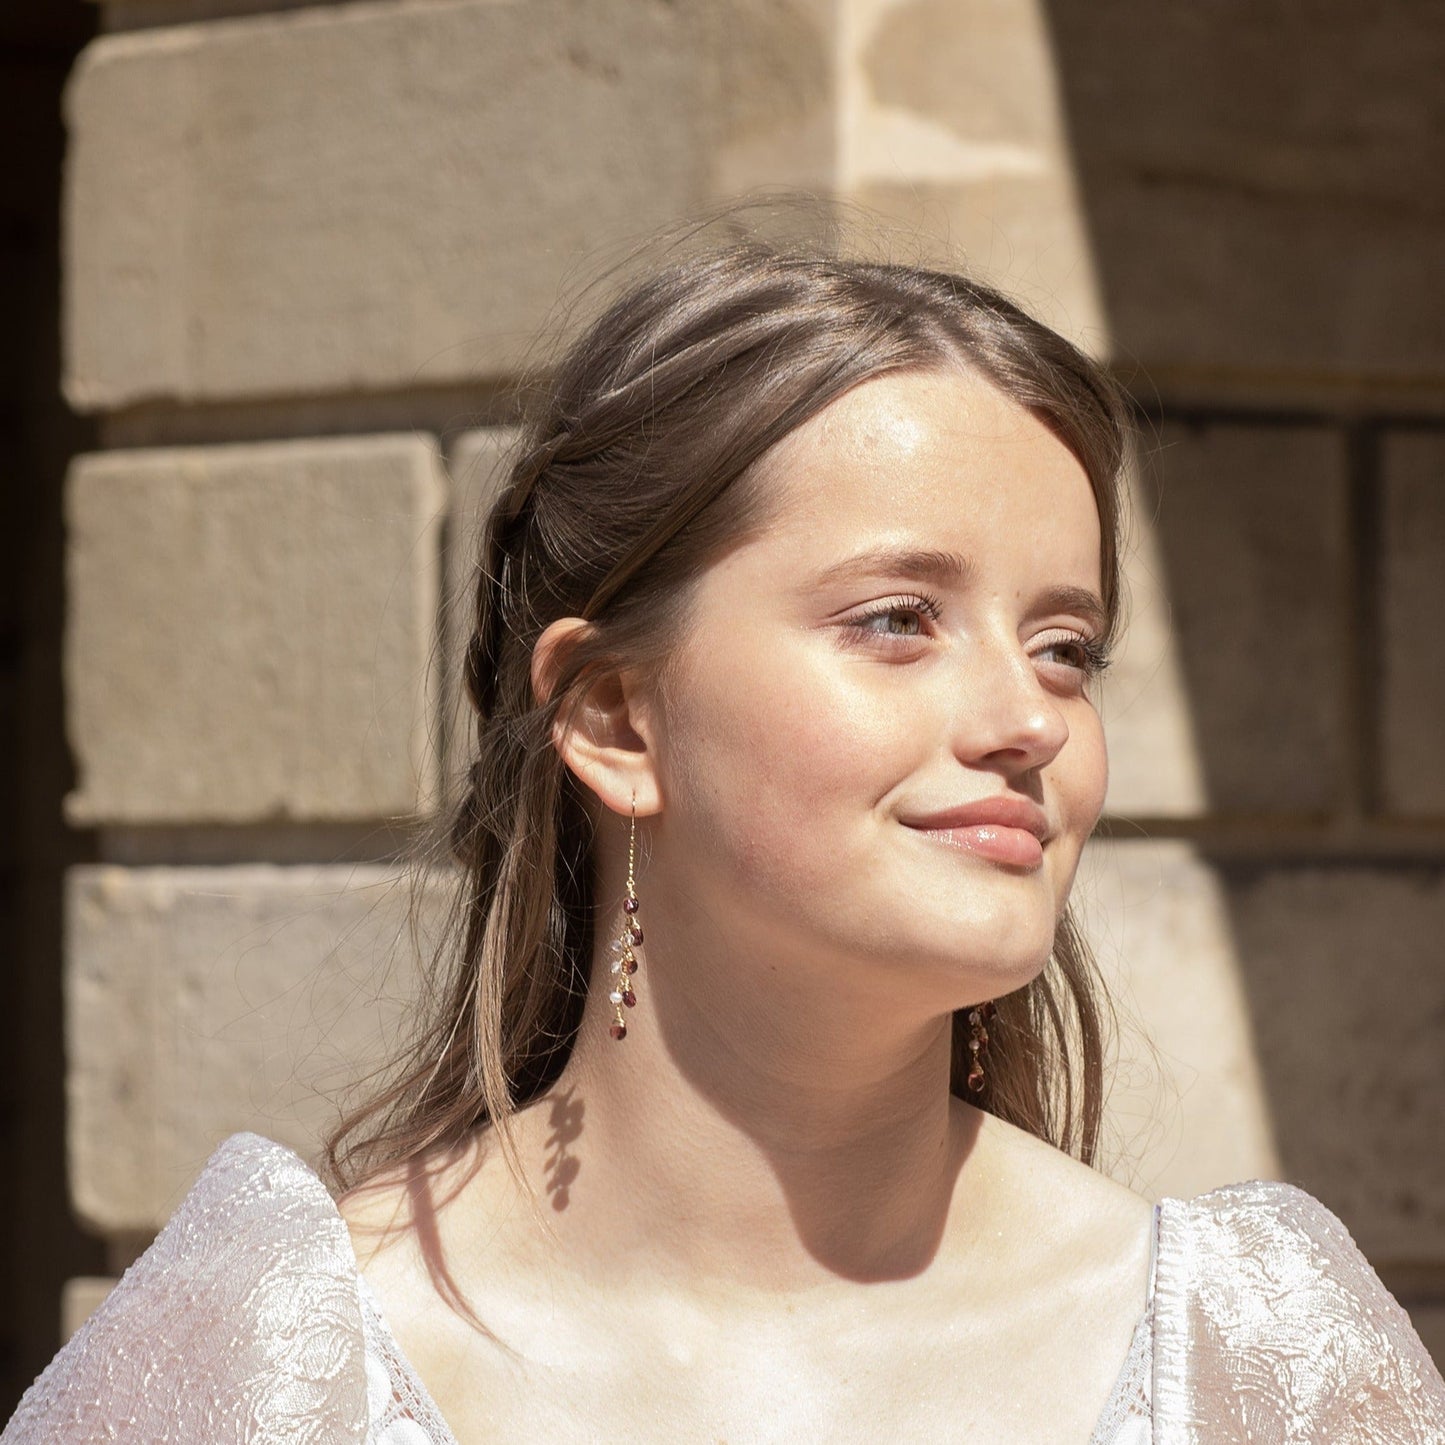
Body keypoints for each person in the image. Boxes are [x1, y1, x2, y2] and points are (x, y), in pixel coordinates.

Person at [7, 239, 1444, 1443]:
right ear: (615, 718)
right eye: (897, 619)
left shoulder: (1254, 1361)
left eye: (1065, 646)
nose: (1028, 719)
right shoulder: (272, 1372)